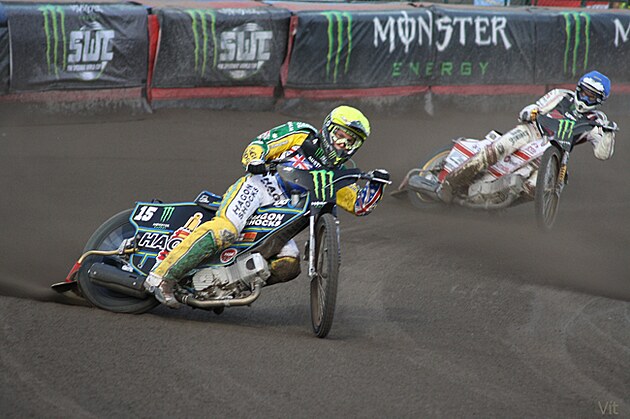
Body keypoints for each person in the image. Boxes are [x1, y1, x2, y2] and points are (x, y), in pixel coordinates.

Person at [143, 105, 390, 308]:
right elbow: (261, 143)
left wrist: (377, 184)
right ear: (328, 129)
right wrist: (255, 160)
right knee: (225, 230)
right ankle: (162, 277)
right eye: (339, 135)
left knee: (290, 265)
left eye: (350, 141)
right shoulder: (301, 134)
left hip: (284, 214)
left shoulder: (338, 173)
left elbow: (359, 205)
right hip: (259, 187)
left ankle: (228, 286)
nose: (342, 144)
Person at [439, 70, 617, 201]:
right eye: (584, 92)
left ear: (599, 101)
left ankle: (493, 198)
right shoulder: (560, 95)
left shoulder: (598, 120)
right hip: (532, 132)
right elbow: (534, 108)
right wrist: (530, 112)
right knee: (500, 148)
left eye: (591, 97)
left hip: (555, 154)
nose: (585, 98)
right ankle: (451, 182)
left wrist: (609, 134)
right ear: (578, 88)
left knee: (536, 188)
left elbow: (602, 154)